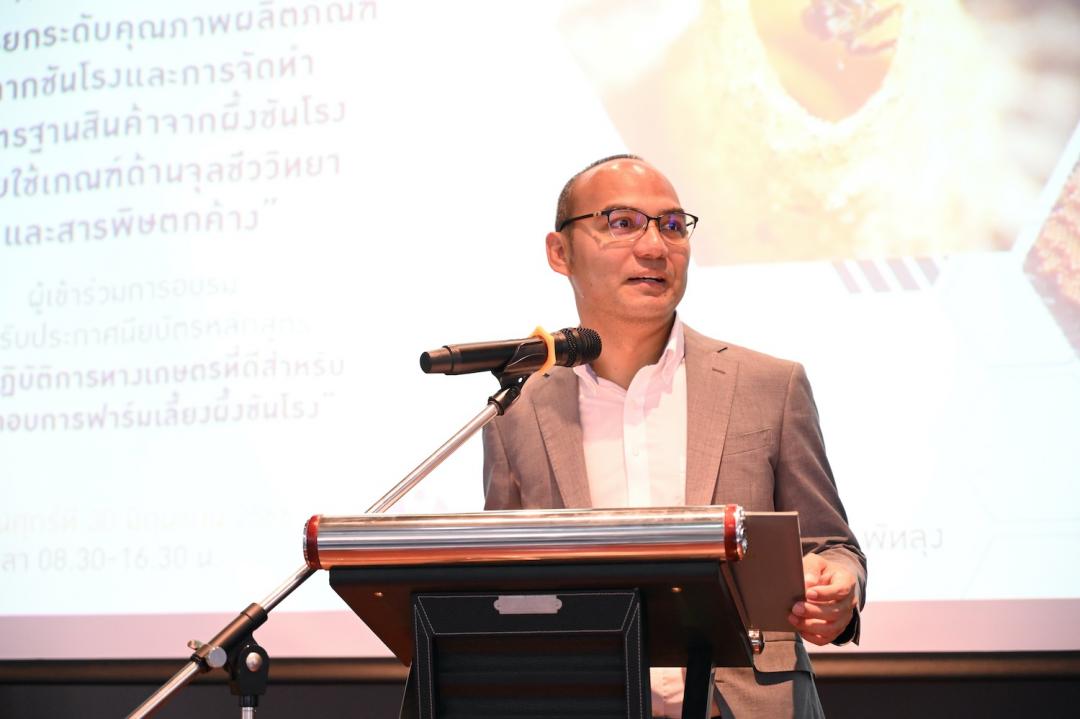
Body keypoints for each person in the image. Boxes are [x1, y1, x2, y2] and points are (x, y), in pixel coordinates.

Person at [482, 154, 866, 718]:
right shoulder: (518, 406)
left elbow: (831, 547)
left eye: (671, 225)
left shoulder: (768, 385)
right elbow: (501, 578)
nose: (655, 247)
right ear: (560, 252)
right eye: (622, 223)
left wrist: (839, 586)